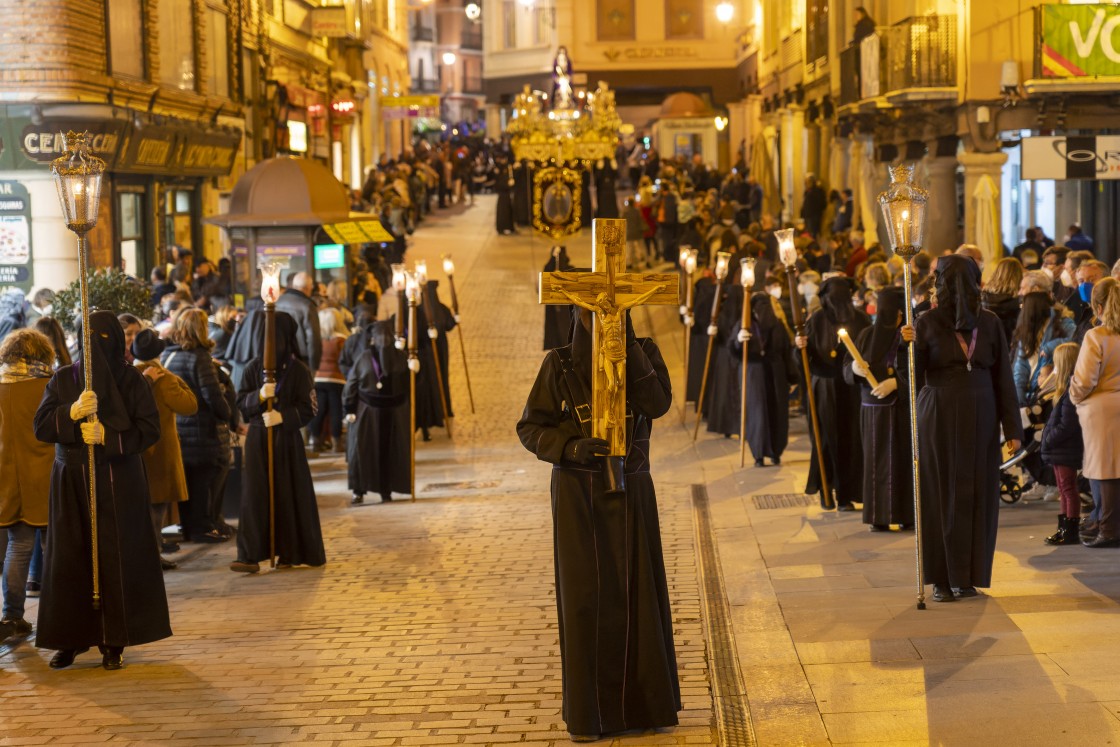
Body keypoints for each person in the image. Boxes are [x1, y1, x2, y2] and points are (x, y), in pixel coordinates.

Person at [516, 306, 680, 742]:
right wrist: (569, 448)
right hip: (577, 492)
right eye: (595, 317)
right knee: (586, 596)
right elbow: (531, 426)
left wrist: (625, 346)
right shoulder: (561, 362)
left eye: (614, 315)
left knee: (636, 591)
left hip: (633, 488)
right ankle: (591, 715)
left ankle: (645, 705)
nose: (604, 324)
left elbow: (657, 404)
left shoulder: (644, 351)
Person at [32, 310, 170, 669]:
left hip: (117, 481)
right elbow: (42, 426)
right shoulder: (63, 379)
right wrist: (72, 412)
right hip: (72, 483)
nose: (94, 345)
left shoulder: (132, 380)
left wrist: (111, 437)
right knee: (70, 559)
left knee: (115, 557)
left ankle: (114, 638)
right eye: (87, 336)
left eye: (103, 337)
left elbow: (149, 429)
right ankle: (70, 638)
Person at [904, 255, 1022, 601]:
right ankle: (941, 578)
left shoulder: (989, 322)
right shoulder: (925, 322)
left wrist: (1013, 427)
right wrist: (905, 345)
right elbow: (910, 377)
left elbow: (1004, 377)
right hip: (939, 411)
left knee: (977, 493)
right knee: (940, 493)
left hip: (982, 412)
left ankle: (967, 575)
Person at [231, 312, 325, 573]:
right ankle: (249, 555)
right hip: (259, 438)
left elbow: (309, 408)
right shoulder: (252, 368)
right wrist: (258, 397)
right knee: (254, 495)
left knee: (286, 493)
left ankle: (288, 550)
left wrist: (284, 416)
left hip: (286, 441)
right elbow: (241, 403)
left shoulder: (299, 371)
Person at [796, 277, 870, 510]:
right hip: (825, 387)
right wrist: (799, 346)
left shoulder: (860, 319)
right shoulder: (816, 320)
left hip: (852, 387)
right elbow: (803, 360)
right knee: (827, 438)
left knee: (852, 439)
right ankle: (827, 488)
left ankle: (848, 493)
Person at [0, 329, 55, 643]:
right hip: (46, 475)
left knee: (17, 547)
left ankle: (12, 615)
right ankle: (56, 613)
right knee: (52, 548)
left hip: (8, 478)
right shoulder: (48, 385)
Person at [844, 287, 914, 531]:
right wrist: (854, 368)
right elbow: (846, 368)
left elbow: (920, 370)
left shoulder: (908, 337)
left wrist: (897, 383)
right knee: (876, 464)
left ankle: (907, 514)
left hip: (900, 409)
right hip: (871, 411)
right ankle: (879, 516)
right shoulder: (865, 335)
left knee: (902, 462)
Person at [131, 329, 197, 568]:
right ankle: (153, 555)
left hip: (136, 450)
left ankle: (148, 554)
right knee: (156, 508)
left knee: (142, 506)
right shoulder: (165, 378)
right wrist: (174, 378)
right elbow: (189, 405)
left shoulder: (129, 375)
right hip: (160, 451)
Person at [1071, 284, 1120, 548]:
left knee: (1104, 470)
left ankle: (1109, 529)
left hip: (1101, 409)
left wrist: (1074, 396)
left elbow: (1084, 379)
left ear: (1098, 307)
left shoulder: (1096, 335)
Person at [344, 321, 410, 505]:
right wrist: (349, 407)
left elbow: (408, 383)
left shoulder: (399, 357)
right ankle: (359, 490)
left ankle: (385, 490)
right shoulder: (365, 358)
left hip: (391, 411)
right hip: (367, 411)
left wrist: (414, 369)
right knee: (362, 451)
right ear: (372, 339)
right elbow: (352, 384)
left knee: (385, 452)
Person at [732, 292, 794, 466]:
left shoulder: (778, 326)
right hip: (755, 374)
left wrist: (791, 377)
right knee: (757, 413)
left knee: (777, 412)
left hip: (775, 374)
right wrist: (738, 340)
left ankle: (775, 451)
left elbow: (786, 352)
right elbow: (734, 350)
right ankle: (758, 453)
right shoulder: (745, 325)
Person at [1039, 342, 1084, 545]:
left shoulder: (1069, 394)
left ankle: (1070, 529)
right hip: (1061, 449)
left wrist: (1048, 439)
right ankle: (1064, 527)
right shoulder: (1067, 391)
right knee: (1063, 488)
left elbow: (1067, 425)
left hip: (1064, 448)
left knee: (1068, 488)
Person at [1010, 292, 1075, 407]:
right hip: (1030, 392)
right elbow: (1021, 365)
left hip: (1049, 390)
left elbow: (1076, 341)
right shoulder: (1028, 329)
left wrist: (1050, 347)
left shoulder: (1062, 323)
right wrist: (1018, 393)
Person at [307, 307, 350, 453]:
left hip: (318, 378)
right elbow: (345, 360)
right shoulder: (341, 339)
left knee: (319, 410)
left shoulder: (316, 339)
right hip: (337, 379)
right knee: (336, 410)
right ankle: (337, 442)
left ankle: (315, 440)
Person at [275, 271, 322, 371]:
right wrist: (314, 366)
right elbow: (313, 338)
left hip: (277, 355)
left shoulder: (277, 301)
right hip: (300, 358)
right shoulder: (307, 306)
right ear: (308, 288)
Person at [982, 257, 1024, 344]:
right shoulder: (1019, 300)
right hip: (1010, 345)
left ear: (996, 273)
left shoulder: (983, 296)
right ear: (1019, 274)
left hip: (987, 344)